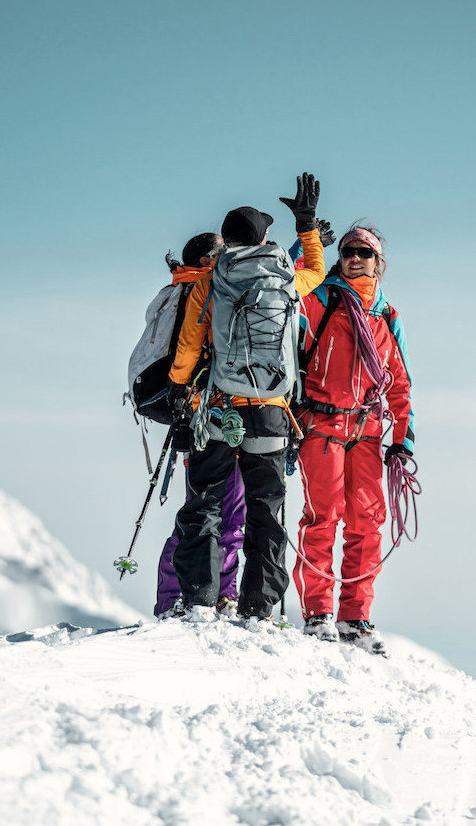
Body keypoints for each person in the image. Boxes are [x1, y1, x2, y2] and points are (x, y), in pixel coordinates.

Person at [166, 174, 326, 623]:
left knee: (206, 503)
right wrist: (307, 223)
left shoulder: (210, 282)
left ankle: (199, 599)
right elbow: (317, 265)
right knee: (266, 508)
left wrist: (180, 390)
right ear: (264, 239)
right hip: (272, 411)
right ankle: (260, 606)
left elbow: (189, 346)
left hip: (218, 408)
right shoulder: (287, 281)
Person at [292, 224, 414, 655]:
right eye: (347, 251)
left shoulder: (385, 316)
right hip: (321, 424)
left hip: (366, 430)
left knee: (367, 523)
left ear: (378, 262)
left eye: (364, 252)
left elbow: (399, 384)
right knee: (322, 516)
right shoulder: (318, 301)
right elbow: (282, 288)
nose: (355, 257)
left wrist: (403, 439)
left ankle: (355, 617)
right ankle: (318, 613)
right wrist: (304, 240)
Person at [153, 232, 247, 620]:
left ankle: (199, 594)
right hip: (209, 418)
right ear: (208, 259)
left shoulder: (188, 291)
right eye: (222, 254)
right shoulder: (198, 293)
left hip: (207, 416)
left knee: (209, 512)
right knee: (214, 513)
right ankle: (196, 594)